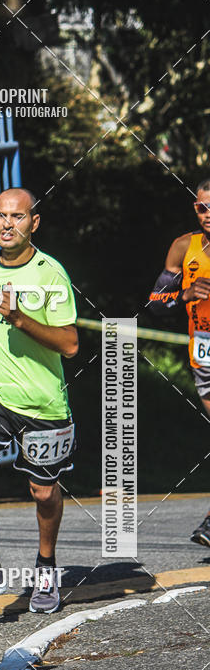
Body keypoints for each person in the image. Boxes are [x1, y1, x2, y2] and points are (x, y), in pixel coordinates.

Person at [0, 188, 78, 613]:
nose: (7, 224)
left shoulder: (51, 274)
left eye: (17, 216)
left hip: (42, 400)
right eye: (0, 215)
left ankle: (46, 568)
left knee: (43, 492)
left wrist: (21, 318)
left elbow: (70, 344)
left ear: (33, 223)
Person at [147, 177, 210, 546]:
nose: (208, 214)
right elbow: (155, 303)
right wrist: (184, 294)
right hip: (204, 355)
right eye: (202, 207)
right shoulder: (183, 246)